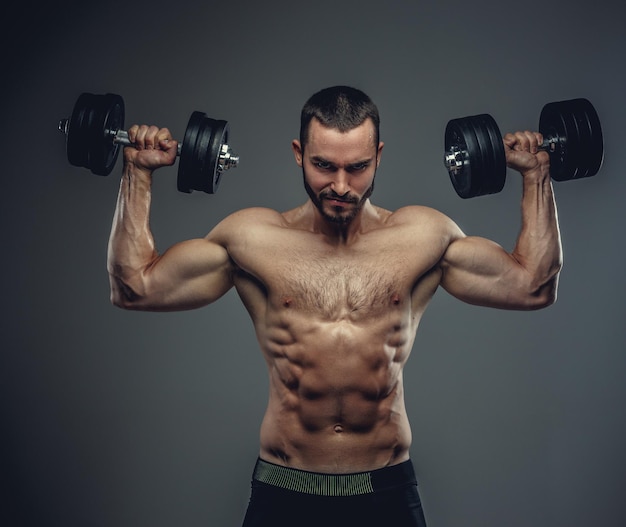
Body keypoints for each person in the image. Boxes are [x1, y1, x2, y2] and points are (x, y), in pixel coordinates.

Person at [107, 86, 562, 527]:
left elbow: (532, 286)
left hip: (386, 491)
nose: (340, 186)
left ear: (378, 157)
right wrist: (138, 173)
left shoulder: (422, 237)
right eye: (324, 166)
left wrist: (536, 174)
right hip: (284, 489)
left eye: (357, 167)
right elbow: (135, 288)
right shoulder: (254, 239)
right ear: (298, 153)